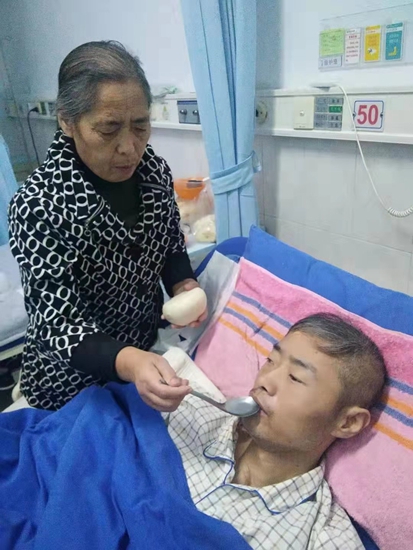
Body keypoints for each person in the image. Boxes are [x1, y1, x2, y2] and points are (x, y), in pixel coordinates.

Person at [7, 41, 203, 411]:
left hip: (144, 353)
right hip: (72, 382)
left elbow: (170, 245)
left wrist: (184, 285)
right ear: (67, 121)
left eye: (140, 125)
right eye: (109, 129)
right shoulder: (38, 204)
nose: (130, 148)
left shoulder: (153, 173)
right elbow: (58, 324)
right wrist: (129, 361)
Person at [166, 313, 386, 549]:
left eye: (295, 378)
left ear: (348, 422)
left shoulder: (322, 539)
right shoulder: (182, 407)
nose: (265, 381)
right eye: (271, 360)